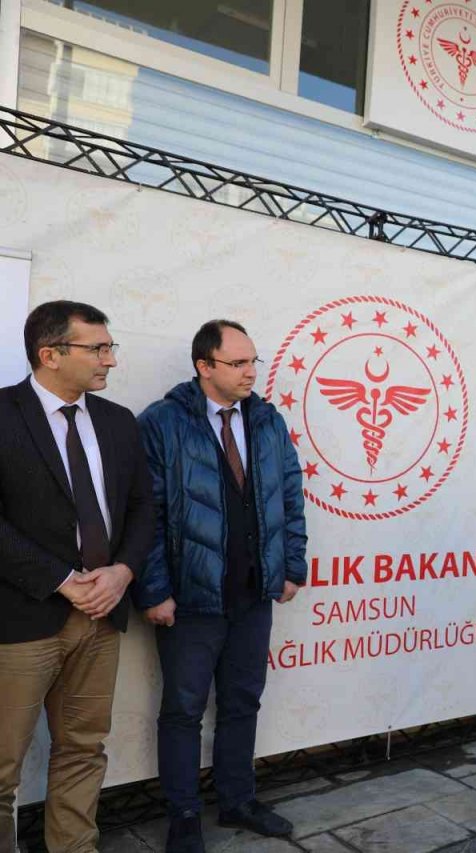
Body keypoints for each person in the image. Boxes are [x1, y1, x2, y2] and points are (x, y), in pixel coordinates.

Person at [135, 320, 307, 853]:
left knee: (242, 702)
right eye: (237, 363)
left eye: (253, 361)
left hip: (254, 594)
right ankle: (184, 815)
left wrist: (292, 566)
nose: (251, 372)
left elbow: (290, 496)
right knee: (183, 709)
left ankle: (237, 801)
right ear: (204, 366)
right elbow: (146, 515)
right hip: (191, 599)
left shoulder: (267, 420)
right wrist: (155, 589)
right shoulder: (161, 423)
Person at [0, 301, 153, 853]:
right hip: (20, 624)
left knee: (83, 751)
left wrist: (123, 571)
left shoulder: (116, 421)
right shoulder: (3, 413)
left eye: (110, 346)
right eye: (98, 348)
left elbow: (142, 508)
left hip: (101, 618)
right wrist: (62, 579)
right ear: (50, 354)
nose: (110, 360)